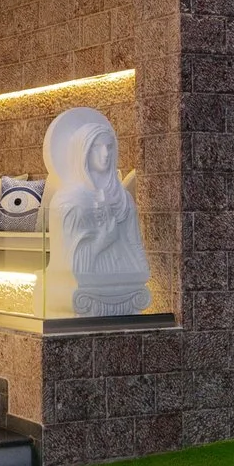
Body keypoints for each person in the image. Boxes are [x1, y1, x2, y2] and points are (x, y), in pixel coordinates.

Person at [42, 107, 151, 316]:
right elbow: (69, 262)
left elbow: (135, 242)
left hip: (125, 282)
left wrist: (141, 272)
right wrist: (103, 240)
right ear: (82, 152)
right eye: (97, 148)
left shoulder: (123, 198)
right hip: (86, 286)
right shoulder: (69, 200)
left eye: (109, 147)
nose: (105, 154)